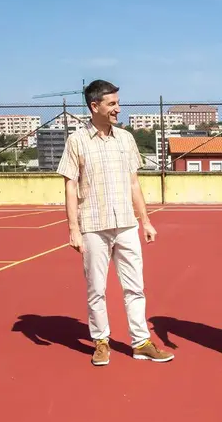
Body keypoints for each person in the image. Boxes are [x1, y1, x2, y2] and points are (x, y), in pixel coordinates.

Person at [56, 79, 174, 366]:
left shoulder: (126, 139)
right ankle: (101, 341)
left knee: (135, 286)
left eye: (118, 103)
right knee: (97, 288)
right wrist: (73, 229)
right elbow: (70, 186)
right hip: (93, 226)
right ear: (94, 106)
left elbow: (134, 183)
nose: (118, 109)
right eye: (112, 104)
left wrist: (145, 221)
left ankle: (141, 342)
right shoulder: (77, 141)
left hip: (126, 224)